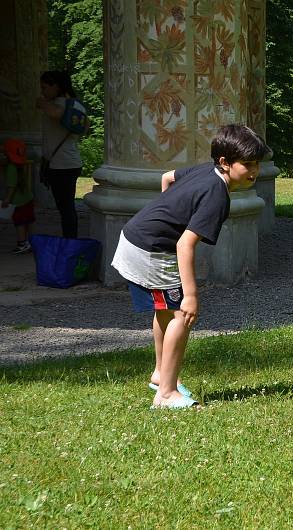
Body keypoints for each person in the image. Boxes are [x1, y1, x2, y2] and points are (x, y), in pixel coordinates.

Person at [111, 124, 271, 409]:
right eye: (247, 164)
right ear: (225, 162)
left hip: (135, 238)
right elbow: (185, 245)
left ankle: (161, 376)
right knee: (182, 315)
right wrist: (191, 295)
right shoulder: (217, 195)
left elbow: (167, 177)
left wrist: (168, 210)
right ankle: (167, 395)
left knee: (165, 309)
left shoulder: (204, 171)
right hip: (151, 250)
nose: (254, 171)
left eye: (257, 164)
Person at [36, 71, 84, 239]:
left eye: (44, 87)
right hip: (71, 162)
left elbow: (54, 113)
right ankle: (69, 239)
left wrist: (42, 102)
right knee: (66, 207)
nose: (42, 92)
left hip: (61, 165)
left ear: (55, 86)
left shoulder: (57, 104)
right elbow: (86, 127)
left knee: (66, 209)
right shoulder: (76, 104)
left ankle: (70, 242)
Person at [2, 138, 35, 253]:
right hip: (28, 199)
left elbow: (12, 186)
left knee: (19, 223)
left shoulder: (11, 168)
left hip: (18, 202)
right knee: (29, 221)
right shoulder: (21, 166)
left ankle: (22, 244)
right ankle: (32, 241)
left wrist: (7, 199)